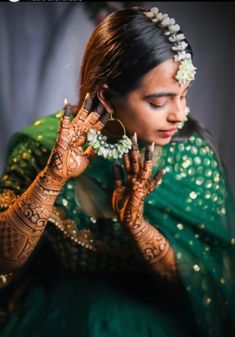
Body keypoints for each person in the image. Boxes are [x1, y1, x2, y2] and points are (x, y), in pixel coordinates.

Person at [0, 6, 234, 337]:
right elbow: (3, 259)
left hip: (153, 315)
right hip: (56, 314)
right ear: (107, 96)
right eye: (159, 102)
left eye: (183, 96)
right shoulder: (47, 147)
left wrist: (137, 226)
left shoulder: (190, 156)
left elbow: (205, 277)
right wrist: (51, 179)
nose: (179, 115)